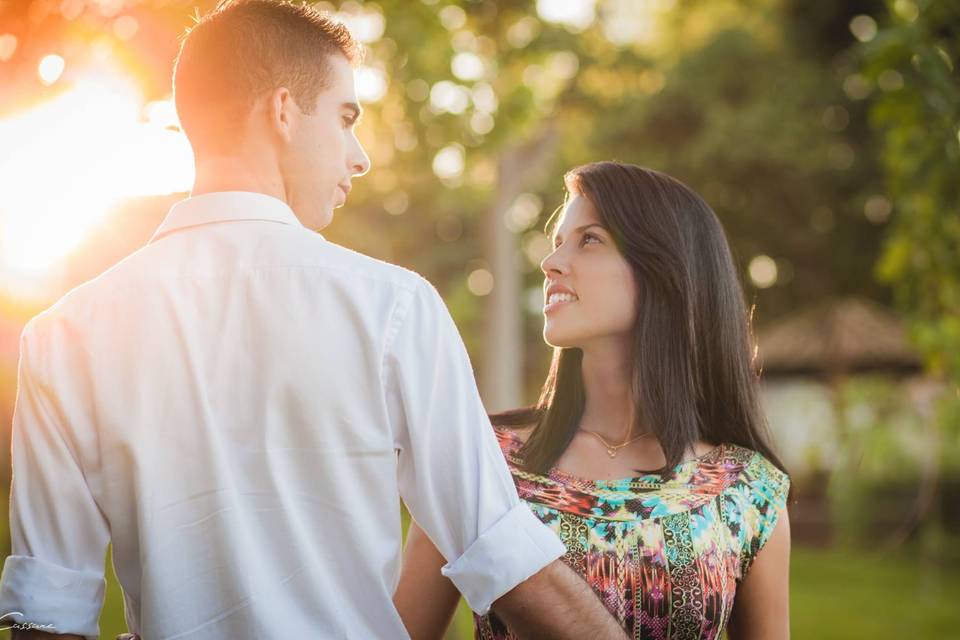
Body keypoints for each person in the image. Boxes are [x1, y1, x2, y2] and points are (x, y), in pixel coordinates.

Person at [0, 2, 627, 638]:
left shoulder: (62, 335)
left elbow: (51, 611)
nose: (359, 157)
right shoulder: (394, 307)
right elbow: (498, 547)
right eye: (345, 117)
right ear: (281, 112)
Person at [395, 162, 791, 639]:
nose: (550, 262)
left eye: (589, 239)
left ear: (665, 270)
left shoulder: (749, 492)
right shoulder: (484, 459)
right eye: (559, 240)